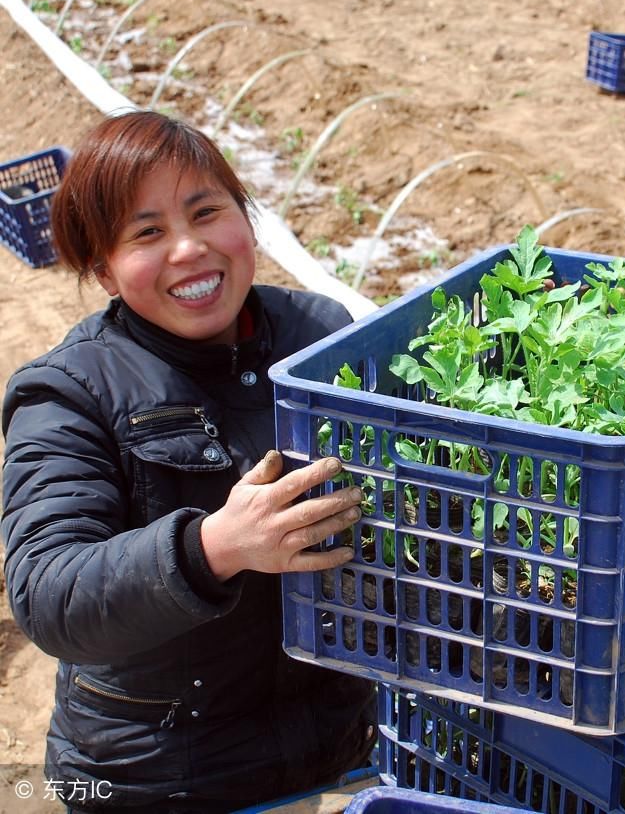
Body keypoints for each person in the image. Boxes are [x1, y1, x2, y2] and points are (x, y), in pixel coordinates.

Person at [1, 111, 374, 812]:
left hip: (335, 750)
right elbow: (49, 595)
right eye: (147, 234)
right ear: (105, 270)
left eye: (207, 212)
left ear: (246, 219)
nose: (189, 249)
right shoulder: (69, 393)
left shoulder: (319, 336)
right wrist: (213, 547)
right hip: (154, 781)